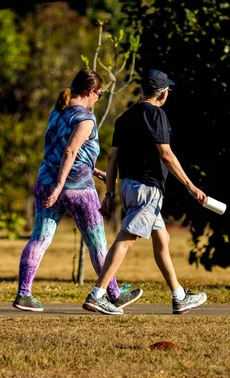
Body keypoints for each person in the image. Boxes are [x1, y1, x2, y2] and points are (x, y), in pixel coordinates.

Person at [13, 68, 143, 312]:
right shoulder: (84, 118)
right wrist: (63, 185)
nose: (98, 98)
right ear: (91, 91)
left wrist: (97, 172)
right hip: (78, 191)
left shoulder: (56, 112)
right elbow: (70, 152)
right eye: (100, 94)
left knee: (40, 238)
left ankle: (24, 294)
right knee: (97, 244)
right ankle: (113, 294)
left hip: (46, 182)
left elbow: (63, 153)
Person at [82, 68, 208, 315]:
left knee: (162, 239)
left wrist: (109, 194)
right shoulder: (157, 115)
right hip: (148, 190)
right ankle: (97, 294)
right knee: (126, 240)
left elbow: (112, 158)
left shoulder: (124, 118)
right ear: (162, 95)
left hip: (129, 187)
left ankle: (179, 296)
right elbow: (166, 154)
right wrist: (190, 186)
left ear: (141, 91)